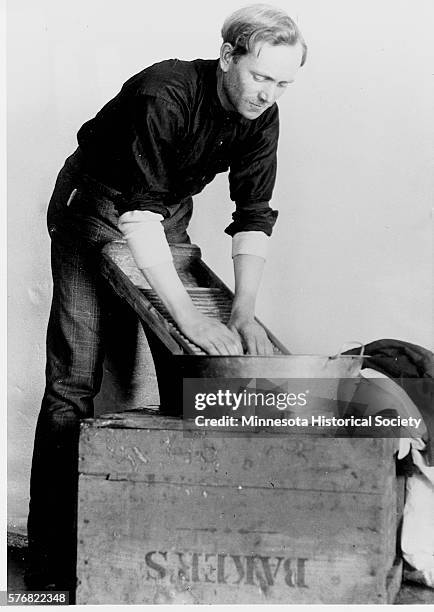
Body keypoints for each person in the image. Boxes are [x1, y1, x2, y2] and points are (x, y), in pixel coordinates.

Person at [25, 3, 307, 593]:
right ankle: (53, 566)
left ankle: (151, 551)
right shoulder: (165, 93)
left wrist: (243, 309)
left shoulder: (263, 114)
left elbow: (253, 212)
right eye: (260, 77)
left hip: (161, 214)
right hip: (97, 205)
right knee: (75, 379)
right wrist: (184, 314)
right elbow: (136, 210)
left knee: (180, 377)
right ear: (229, 57)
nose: (268, 94)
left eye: (283, 82)